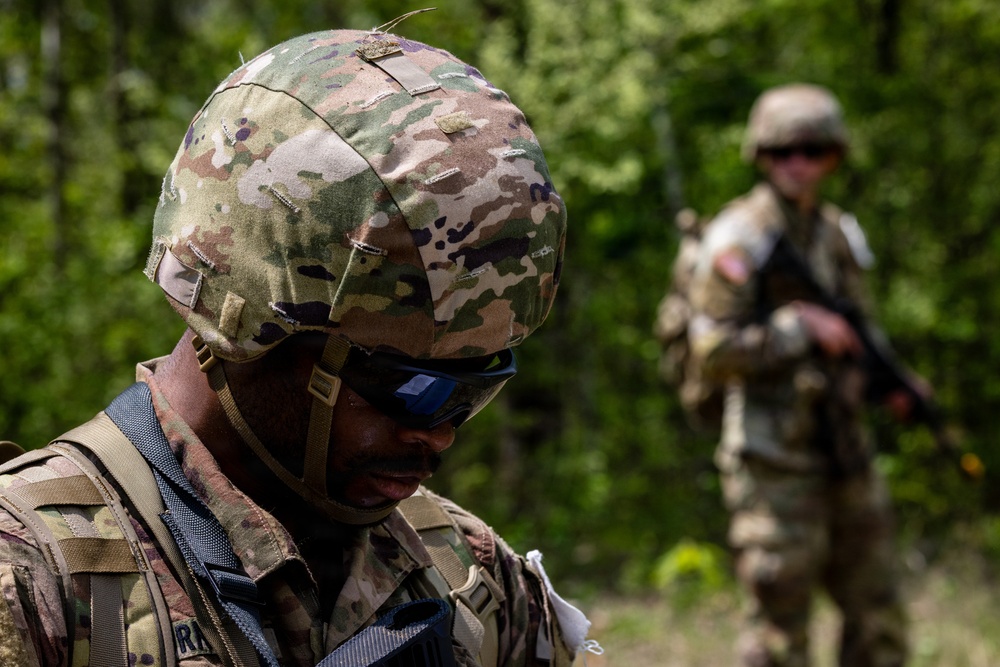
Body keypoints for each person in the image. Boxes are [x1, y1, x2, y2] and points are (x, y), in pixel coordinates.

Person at [0, 27, 588, 667]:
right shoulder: (37, 577)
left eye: (474, 391)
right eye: (413, 388)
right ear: (253, 329)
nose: (440, 435)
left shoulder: (461, 569)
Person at [685, 84, 909, 666]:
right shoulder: (739, 237)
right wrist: (796, 328)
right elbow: (710, 349)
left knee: (879, 614)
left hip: (845, 446)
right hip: (772, 460)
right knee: (780, 631)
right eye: (783, 151)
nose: (799, 164)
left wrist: (898, 383)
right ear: (760, 155)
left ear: (834, 155)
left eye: (813, 150)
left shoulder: (835, 233)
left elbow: (862, 328)